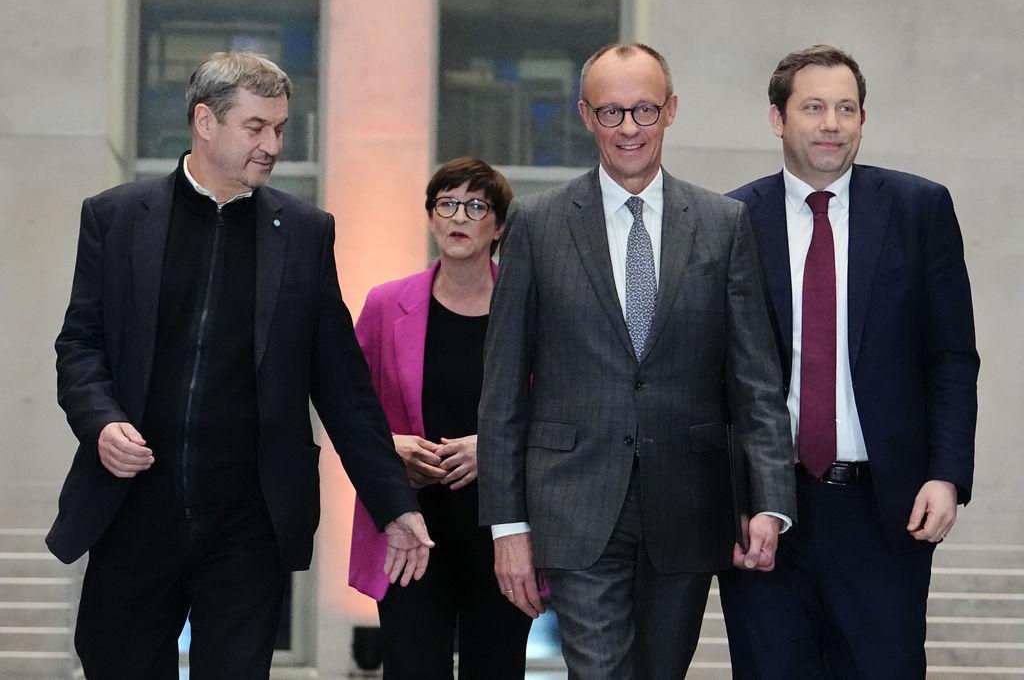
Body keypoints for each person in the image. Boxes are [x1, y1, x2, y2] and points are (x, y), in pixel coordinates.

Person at [47, 51, 432, 678]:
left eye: (280, 128)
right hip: (135, 508)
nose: (273, 144)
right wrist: (101, 421)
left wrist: (394, 502)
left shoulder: (305, 232)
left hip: (250, 519)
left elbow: (342, 386)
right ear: (205, 121)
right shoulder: (116, 217)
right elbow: (80, 344)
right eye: (256, 127)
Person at [476, 42, 796, 679]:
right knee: (598, 671)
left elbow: (754, 380)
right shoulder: (536, 226)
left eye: (644, 111)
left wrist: (770, 497)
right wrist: (507, 525)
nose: (629, 129)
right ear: (585, 115)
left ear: (671, 110)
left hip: (689, 501)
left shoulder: (723, 223)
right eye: (612, 112)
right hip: (574, 503)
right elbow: (504, 389)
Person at [718, 44, 979, 678]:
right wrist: (728, 502)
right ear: (778, 119)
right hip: (765, 514)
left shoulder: (919, 210)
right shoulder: (727, 221)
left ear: (863, 120)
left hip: (883, 511)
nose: (832, 123)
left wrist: (946, 474)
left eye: (846, 108)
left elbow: (950, 356)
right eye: (813, 107)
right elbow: (711, 376)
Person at [347, 157, 532, 679]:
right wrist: (391, 447)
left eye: (476, 206)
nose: (459, 216)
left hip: (504, 531)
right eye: (447, 203)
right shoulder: (386, 305)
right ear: (431, 217)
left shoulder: (529, 306)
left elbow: (559, 414)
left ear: (498, 226)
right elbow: (349, 408)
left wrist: (491, 449)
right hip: (412, 529)